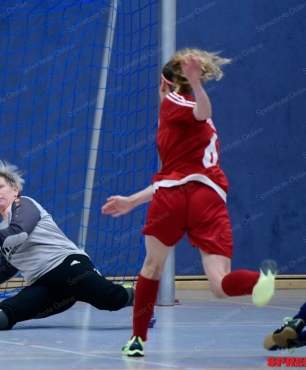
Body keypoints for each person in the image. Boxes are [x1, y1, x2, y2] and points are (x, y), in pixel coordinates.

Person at [101, 48, 277, 357]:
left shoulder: (174, 102)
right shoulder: (199, 128)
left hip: (174, 198)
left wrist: (196, 85)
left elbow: (201, 112)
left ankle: (137, 338)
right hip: (206, 197)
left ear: (163, 82)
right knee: (220, 285)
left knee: (152, 267)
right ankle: (259, 281)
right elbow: (179, 174)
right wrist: (132, 200)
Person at [0, 157, 155, 333]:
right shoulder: (2, 231)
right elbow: (6, 270)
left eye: (0, 187)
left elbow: (19, 233)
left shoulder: (25, 206)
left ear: (15, 190)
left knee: (109, 300)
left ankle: (140, 296)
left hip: (68, 265)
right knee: (10, 311)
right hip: (44, 285)